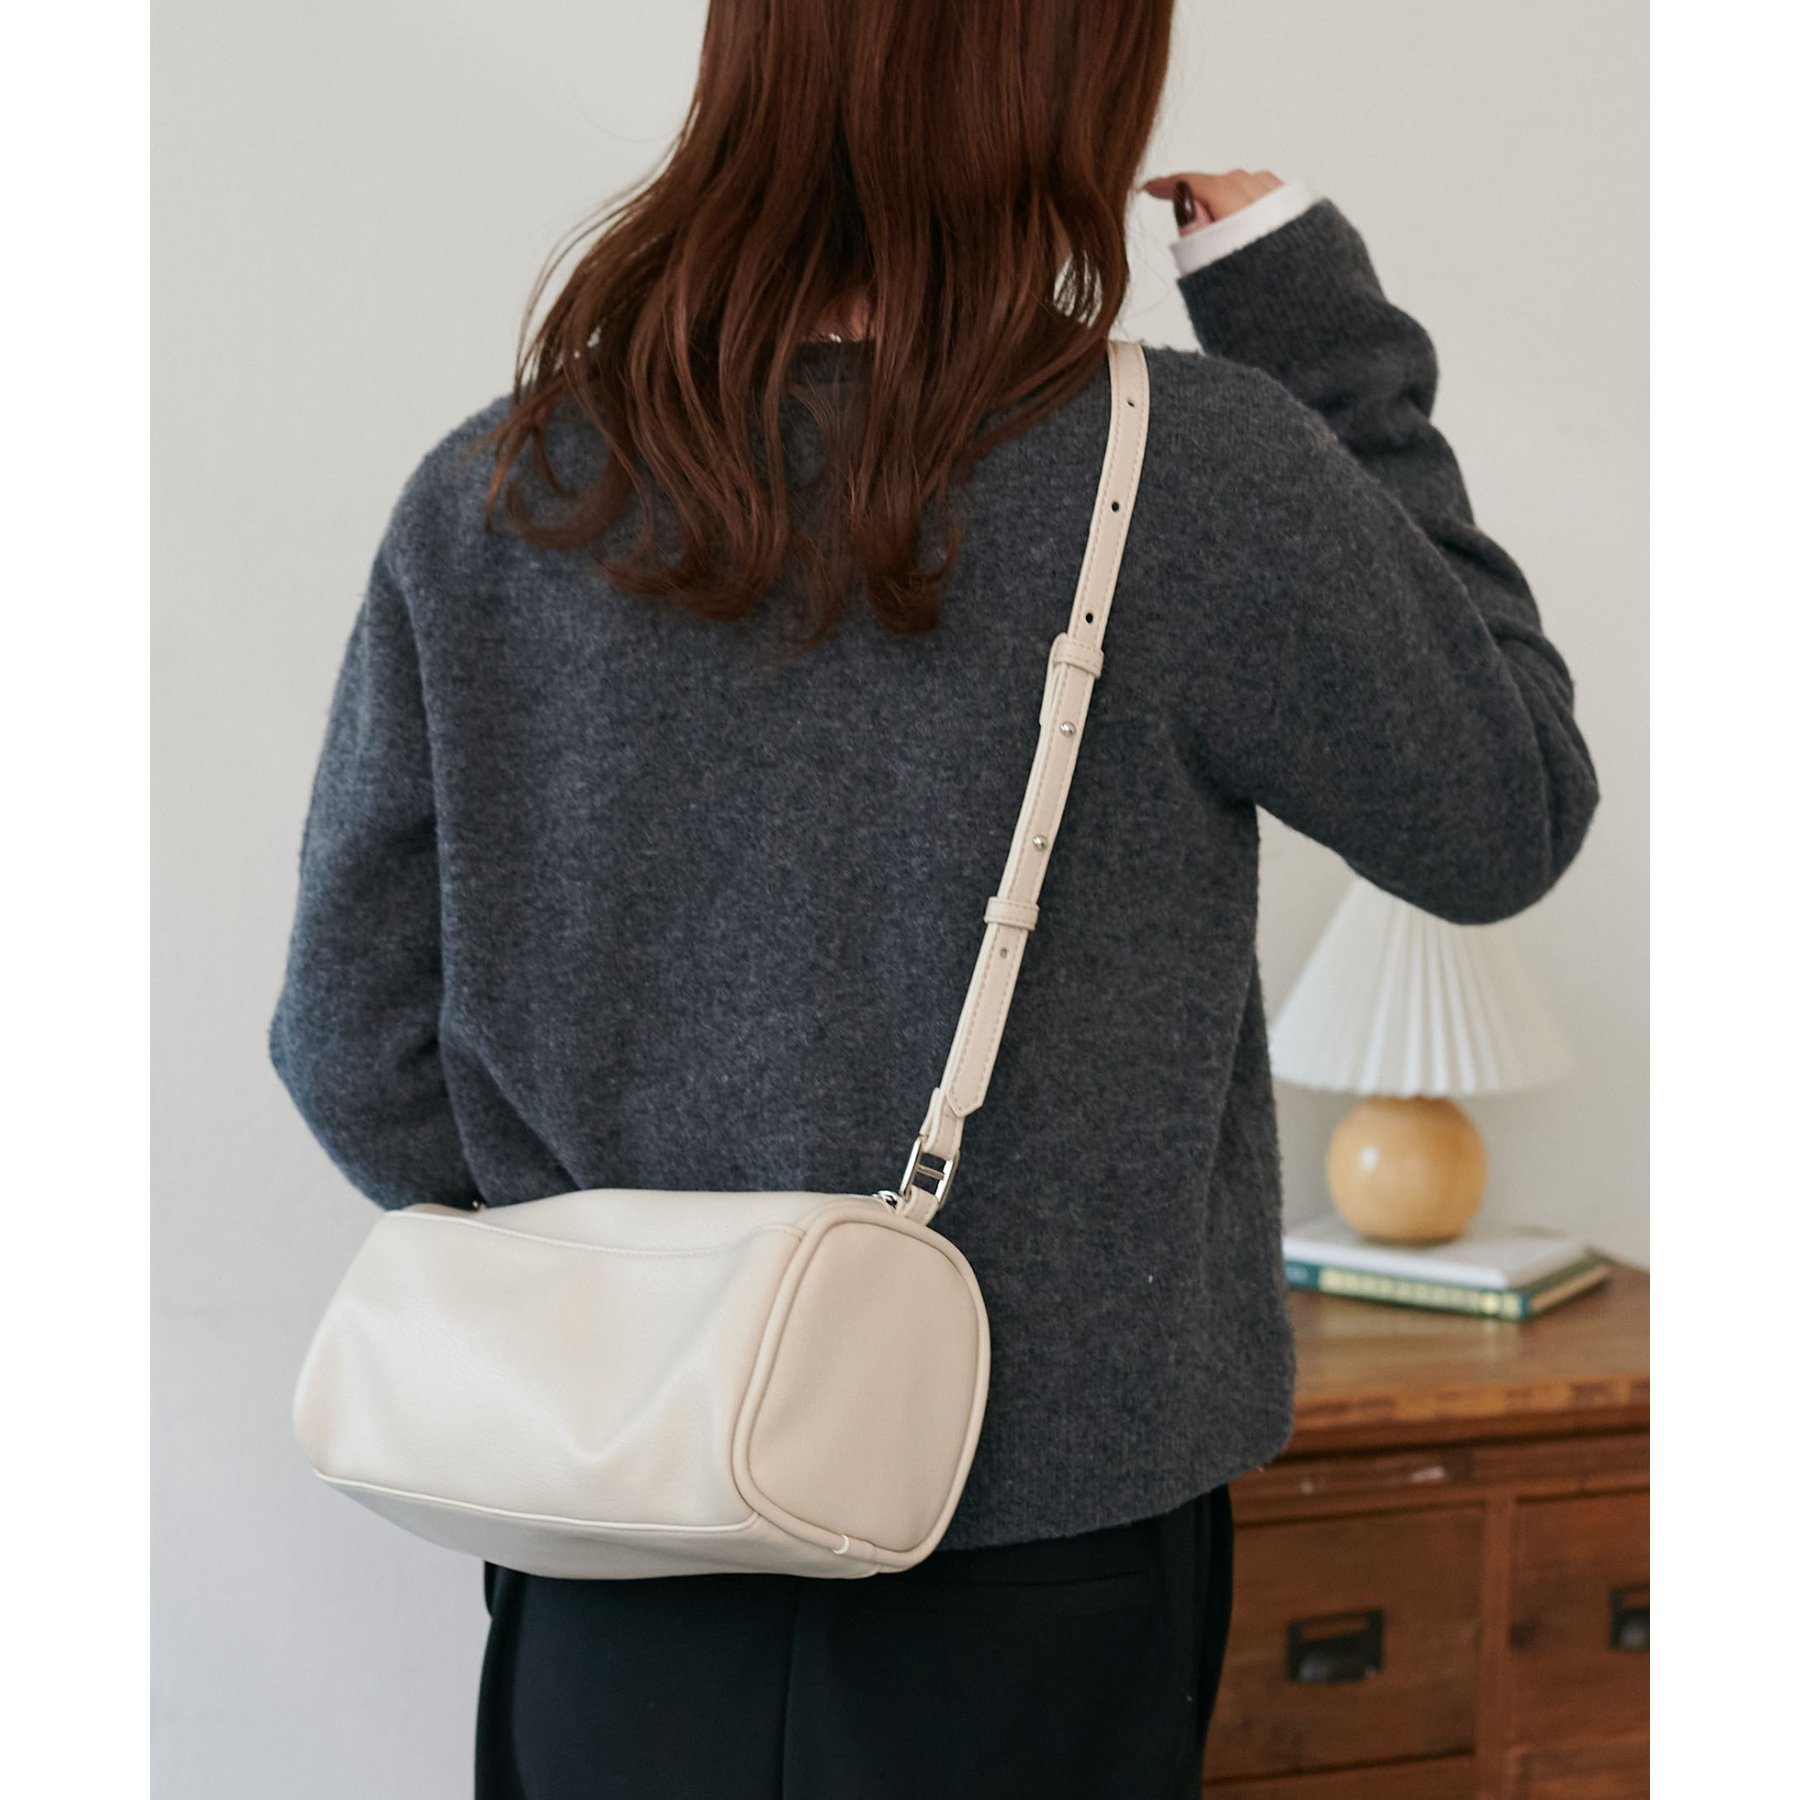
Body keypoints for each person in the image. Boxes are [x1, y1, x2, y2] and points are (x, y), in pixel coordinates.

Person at [269, 3, 1598, 1794]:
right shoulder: (1188, 473)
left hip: (609, 1531)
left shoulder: (505, 493)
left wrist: (639, 1303)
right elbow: (1503, 813)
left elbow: (351, 1049)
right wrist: (1323, 340)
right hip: (1044, 1574)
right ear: (1074, 79)